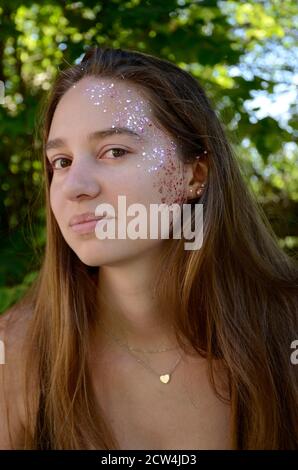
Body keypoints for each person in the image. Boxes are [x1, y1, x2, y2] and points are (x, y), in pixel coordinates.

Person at [0, 46, 297, 450]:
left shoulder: (285, 333)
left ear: (195, 174)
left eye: (115, 151)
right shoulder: (18, 354)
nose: (75, 186)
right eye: (62, 162)